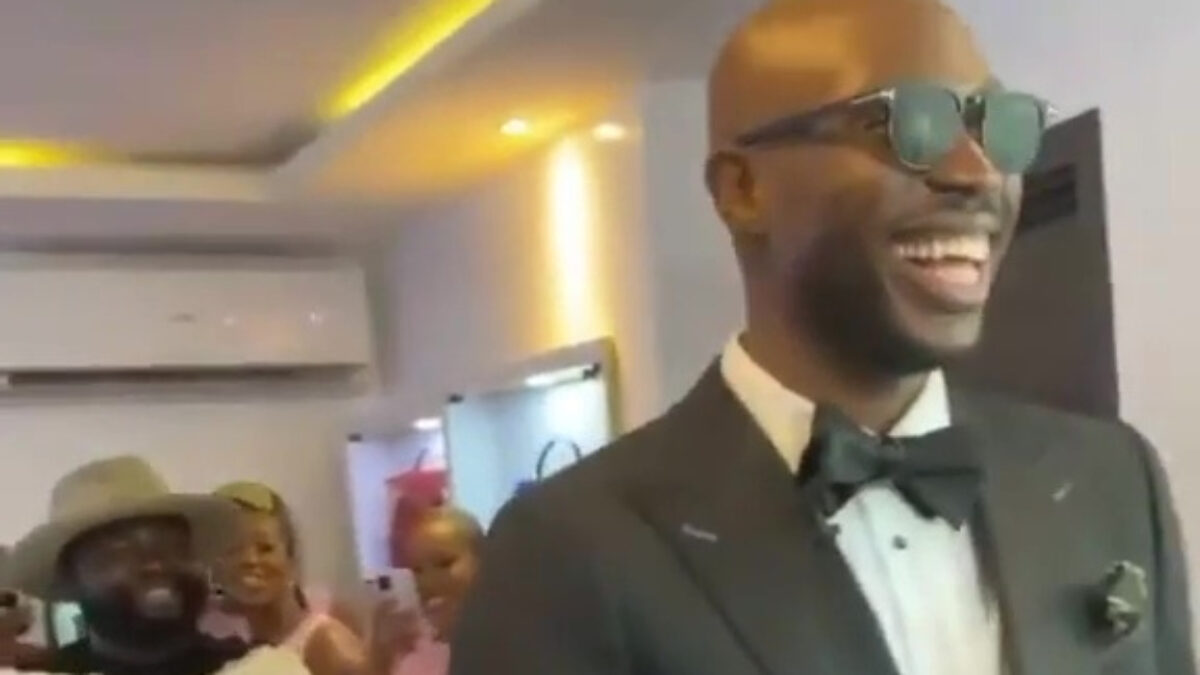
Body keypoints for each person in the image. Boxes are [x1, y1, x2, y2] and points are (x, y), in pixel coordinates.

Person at [449, 1, 1195, 674]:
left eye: (998, 125)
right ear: (743, 190)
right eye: (909, 124)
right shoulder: (570, 552)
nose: (976, 173)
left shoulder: (1110, 480)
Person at [0, 455, 308, 675]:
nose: (155, 564)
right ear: (70, 581)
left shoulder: (267, 670)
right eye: (120, 552)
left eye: (171, 546)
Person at [206, 481, 401, 675]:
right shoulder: (206, 628)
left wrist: (379, 663)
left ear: (290, 557)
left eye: (265, 548)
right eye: (232, 549)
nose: (250, 560)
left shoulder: (322, 640)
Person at [391, 507, 482, 675]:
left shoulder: (512, 634)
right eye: (417, 570)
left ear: (482, 561)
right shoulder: (411, 642)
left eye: (444, 563)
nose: (428, 581)